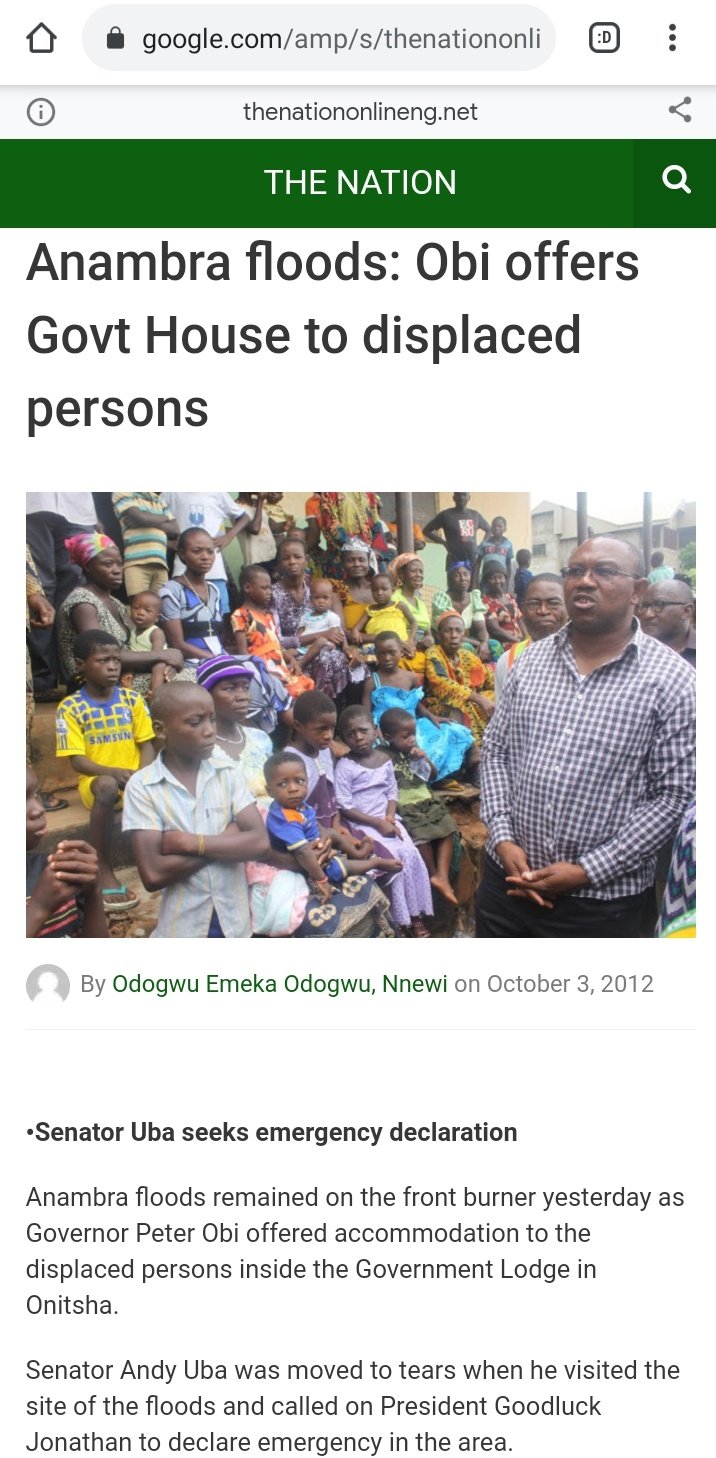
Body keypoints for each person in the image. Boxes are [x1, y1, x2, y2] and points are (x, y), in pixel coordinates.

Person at [476, 536, 696, 939]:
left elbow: (673, 795)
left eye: (605, 572)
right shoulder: (530, 661)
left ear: (638, 591)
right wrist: (503, 839)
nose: (585, 581)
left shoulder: (674, 680)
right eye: (576, 571)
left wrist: (587, 871)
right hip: (506, 883)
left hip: (602, 905)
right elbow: (496, 751)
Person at [123, 682, 269, 938]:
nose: (209, 730)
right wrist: (228, 840)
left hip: (235, 924)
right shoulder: (143, 787)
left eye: (212, 719)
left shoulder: (228, 772)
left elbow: (259, 843)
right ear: (160, 729)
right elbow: (153, 874)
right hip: (184, 928)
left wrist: (190, 843)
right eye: (195, 722)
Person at [55, 630, 156, 913]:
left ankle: (162, 857)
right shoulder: (70, 707)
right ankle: (103, 866)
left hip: (134, 780)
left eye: (116, 659)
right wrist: (112, 772)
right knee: (107, 786)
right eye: (103, 660)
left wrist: (140, 775)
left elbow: (147, 745)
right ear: (80, 664)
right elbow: (77, 761)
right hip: (98, 783)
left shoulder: (132, 700)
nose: (113, 666)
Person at [335, 706, 435, 935]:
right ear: (344, 738)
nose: (358, 737)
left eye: (363, 730)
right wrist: (377, 823)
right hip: (363, 824)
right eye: (350, 734)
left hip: (388, 819)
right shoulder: (345, 766)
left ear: (376, 730)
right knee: (394, 860)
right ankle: (400, 920)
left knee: (411, 854)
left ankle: (416, 915)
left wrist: (389, 816)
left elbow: (392, 791)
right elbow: (345, 805)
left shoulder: (383, 759)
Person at [58, 533, 183, 694]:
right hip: (94, 685)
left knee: (187, 675)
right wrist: (162, 656)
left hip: (122, 675)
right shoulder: (83, 603)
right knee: (191, 680)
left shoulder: (116, 603)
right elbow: (101, 654)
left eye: (119, 564)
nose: (117, 570)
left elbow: (135, 648)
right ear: (88, 566)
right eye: (108, 564)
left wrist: (166, 664)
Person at [364, 632, 477, 783]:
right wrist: (373, 727)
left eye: (392, 652)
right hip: (386, 731)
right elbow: (365, 712)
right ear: (376, 654)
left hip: (412, 726)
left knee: (453, 729)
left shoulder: (411, 678)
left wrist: (433, 717)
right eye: (382, 653)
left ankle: (445, 773)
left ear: (401, 652)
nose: (387, 658)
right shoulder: (372, 681)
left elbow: (418, 706)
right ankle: (418, 781)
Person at [380, 709, 460, 907]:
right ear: (388, 737)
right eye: (405, 736)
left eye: (413, 734)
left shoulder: (415, 751)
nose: (411, 739)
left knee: (448, 829)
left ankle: (441, 876)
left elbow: (432, 775)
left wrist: (423, 758)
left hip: (426, 798)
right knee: (422, 836)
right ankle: (432, 874)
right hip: (405, 803)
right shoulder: (382, 755)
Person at [26, 493, 101, 694]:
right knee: (40, 587)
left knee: (75, 589)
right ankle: (42, 677)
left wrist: (95, 518)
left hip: (78, 506)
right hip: (32, 503)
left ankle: (76, 674)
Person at [26, 767, 107, 938]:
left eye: (35, 794)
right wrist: (38, 908)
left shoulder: (51, 872)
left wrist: (93, 891)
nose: (39, 809)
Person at [271, 539, 353, 700]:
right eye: (286, 558)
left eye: (297, 557)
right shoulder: (272, 595)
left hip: (324, 650)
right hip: (290, 654)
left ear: (306, 559)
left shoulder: (317, 589)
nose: (292, 562)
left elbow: (336, 629)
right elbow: (275, 640)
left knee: (346, 661)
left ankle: (331, 712)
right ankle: (316, 710)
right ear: (279, 563)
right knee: (327, 659)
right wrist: (318, 636)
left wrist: (347, 647)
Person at [265, 751, 348, 900]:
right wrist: (322, 881)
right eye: (282, 784)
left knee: (333, 834)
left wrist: (323, 840)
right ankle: (372, 862)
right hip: (301, 864)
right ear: (269, 791)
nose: (293, 788)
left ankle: (358, 854)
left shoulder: (298, 805)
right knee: (345, 868)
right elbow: (303, 852)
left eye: (299, 781)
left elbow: (313, 823)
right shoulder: (284, 817)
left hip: (312, 848)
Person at [195, 656, 273, 801]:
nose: (243, 696)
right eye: (230, 688)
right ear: (206, 695)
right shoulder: (198, 749)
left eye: (246, 688)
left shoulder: (260, 739)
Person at [232, 565, 314, 698]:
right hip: (263, 668)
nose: (269, 592)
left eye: (270, 587)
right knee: (296, 691)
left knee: (307, 685)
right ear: (247, 588)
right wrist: (258, 674)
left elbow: (277, 644)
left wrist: (292, 660)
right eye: (264, 588)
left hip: (279, 665)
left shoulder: (268, 615)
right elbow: (243, 653)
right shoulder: (240, 615)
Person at [165, 493, 250, 615]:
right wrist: (166, 542)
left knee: (221, 613)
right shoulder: (171, 493)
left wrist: (228, 537)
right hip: (183, 569)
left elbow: (244, 517)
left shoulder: (218, 493)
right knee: (184, 612)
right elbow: (155, 516)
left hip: (215, 571)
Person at [494, 574, 568, 702]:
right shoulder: (508, 660)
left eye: (553, 603)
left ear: (569, 608)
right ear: (522, 610)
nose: (543, 611)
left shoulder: (586, 658)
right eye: (534, 604)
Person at [424, 615, 496, 746]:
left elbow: (489, 678)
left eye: (458, 631)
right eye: (448, 631)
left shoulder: (468, 656)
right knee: (465, 704)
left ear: (464, 635)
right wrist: (478, 698)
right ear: (439, 635)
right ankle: (474, 748)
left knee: (496, 696)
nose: (453, 635)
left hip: (470, 699)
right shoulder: (433, 654)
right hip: (440, 705)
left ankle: (496, 741)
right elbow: (442, 683)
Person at [159, 528, 225, 669]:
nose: (205, 556)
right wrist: (214, 660)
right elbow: (177, 644)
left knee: (257, 665)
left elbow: (217, 636)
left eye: (210, 551)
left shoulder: (214, 591)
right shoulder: (171, 591)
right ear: (182, 553)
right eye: (196, 551)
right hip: (191, 663)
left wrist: (221, 659)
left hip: (219, 658)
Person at [305, 494, 393, 579]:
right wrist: (361, 550)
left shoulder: (368, 493)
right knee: (345, 590)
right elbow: (332, 526)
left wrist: (375, 550)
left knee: (381, 584)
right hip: (344, 554)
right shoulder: (329, 495)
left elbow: (376, 522)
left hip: (372, 554)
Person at [111, 492, 179, 596]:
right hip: (136, 562)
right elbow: (140, 518)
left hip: (161, 565)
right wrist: (164, 518)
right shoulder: (122, 492)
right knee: (139, 608)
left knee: (160, 609)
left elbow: (175, 530)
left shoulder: (157, 498)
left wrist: (145, 519)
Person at [431, 563, 492, 661]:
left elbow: (481, 629)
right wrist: (478, 643)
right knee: (466, 647)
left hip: (469, 640)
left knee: (494, 645)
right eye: (457, 575)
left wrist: (484, 643)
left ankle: (492, 673)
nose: (463, 578)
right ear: (450, 579)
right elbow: (447, 633)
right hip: (448, 641)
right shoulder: (442, 599)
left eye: (466, 574)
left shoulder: (474, 598)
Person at [424, 494, 490, 581]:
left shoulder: (475, 515)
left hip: (472, 561)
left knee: (473, 589)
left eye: (464, 495)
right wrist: (443, 543)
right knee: (453, 589)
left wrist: (481, 546)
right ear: (454, 498)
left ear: (469, 497)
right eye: (458, 495)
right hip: (454, 559)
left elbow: (489, 530)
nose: (461, 498)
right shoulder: (446, 515)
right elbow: (426, 531)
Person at [391, 554, 435, 678]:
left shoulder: (421, 603)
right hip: (405, 647)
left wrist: (430, 639)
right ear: (401, 575)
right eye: (414, 571)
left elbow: (428, 632)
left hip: (422, 648)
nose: (419, 575)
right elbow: (391, 629)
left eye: (421, 571)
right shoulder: (395, 599)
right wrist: (410, 644)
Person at [638, 580, 696, 666]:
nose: (647, 614)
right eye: (644, 606)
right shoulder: (632, 649)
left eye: (658, 605)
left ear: (686, 611)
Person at [353, 574, 418, 646]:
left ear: (393, 590)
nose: (379, 593)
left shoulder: (399, 606)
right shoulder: (370, 610)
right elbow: (356, 628)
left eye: (384, 589)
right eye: (375, 590)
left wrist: (411, 639)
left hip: (398, 645)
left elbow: (414, 622)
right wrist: (355, 632)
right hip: (375, 646)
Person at [126, 592, 171, 697]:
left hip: (154, 661)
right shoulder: (131, 630)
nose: (140, 613)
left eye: (147, 610)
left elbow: (157, 654)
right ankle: (127, 679)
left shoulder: (156, 632)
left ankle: (155, 691)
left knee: (159, 664)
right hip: (139, 663)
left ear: (156, 617)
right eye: (136, 608)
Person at [236, 494, 288, 573]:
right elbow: (254, 529)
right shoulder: (236, 507)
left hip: (272, 555)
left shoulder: (257, 503)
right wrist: (260, 501)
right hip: (256, 559)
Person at [481, 563, 525, 647]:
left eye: (500, 577)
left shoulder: (510, 597)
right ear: (487, 582)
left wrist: (527, 638)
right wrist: (517, 641)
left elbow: (519, 619)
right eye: (493, 578)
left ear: (505, 578)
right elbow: (495, 629)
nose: (497, 581)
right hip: (503, 645)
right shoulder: (486, 602)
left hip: (520, 642)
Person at [478, 517, 515, 586]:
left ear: (505, 529)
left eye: (500, 526)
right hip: (486, 580)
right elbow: (477, 563)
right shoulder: (484, 543)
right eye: (494, 526)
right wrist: (474, 582)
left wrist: (506, 583)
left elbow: (508, 565)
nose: (497, 528)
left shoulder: (508, 544)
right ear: (491, 528)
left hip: (500, 581)